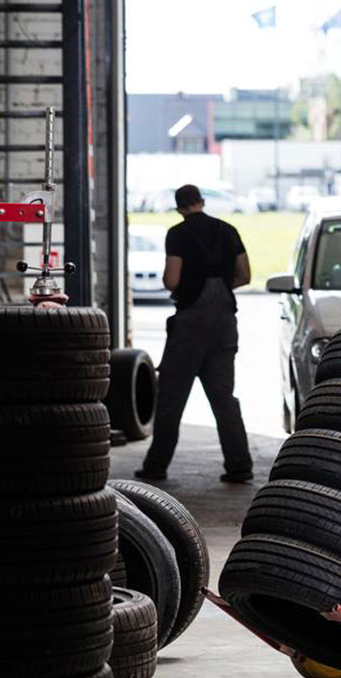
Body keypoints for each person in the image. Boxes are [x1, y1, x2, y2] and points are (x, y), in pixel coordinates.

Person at [135, 184, 254, 483]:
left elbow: (171, 278)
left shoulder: (178, 234)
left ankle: (156, 466)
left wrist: (186, 287)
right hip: (226, 321)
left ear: (179, 208)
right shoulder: (228, 229)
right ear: (201, 202)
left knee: (172, 396)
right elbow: (244, 275)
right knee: (224, 398)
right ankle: (240, 466)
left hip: (191, 323)